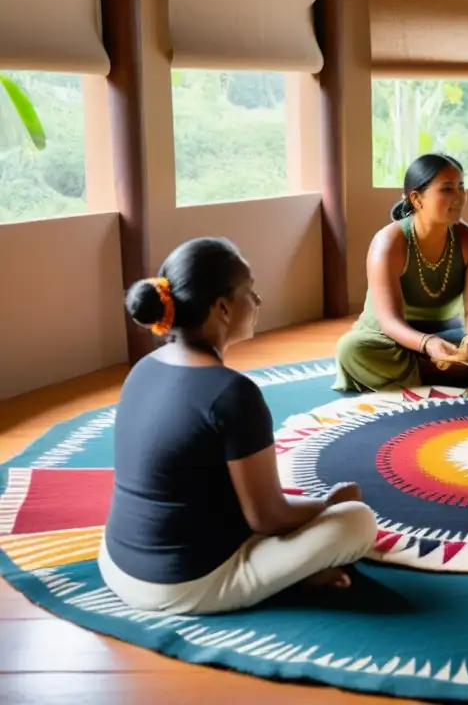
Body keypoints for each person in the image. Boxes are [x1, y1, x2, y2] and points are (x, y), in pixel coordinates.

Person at [99, 237, 378, 615]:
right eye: (251, 291)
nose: (258, 301)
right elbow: (267, 517)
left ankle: (293, 568)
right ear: (223, 308)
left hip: (117, 562)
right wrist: (329, 503)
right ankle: (293, 578)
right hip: (179, 585)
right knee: (356, 521)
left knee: (281, 502)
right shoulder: (232, 395)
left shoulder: (144, 369)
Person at [334, 153, 468, 392]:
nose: (459, 197)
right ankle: (454, 375)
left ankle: (427, 375)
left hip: (447, 335)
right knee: (351, 349)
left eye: (461, 187)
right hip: (391, 339)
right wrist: (427, 344)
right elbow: (389, 322)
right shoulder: (389, 242)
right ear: (417, 199)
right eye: (447, 189)